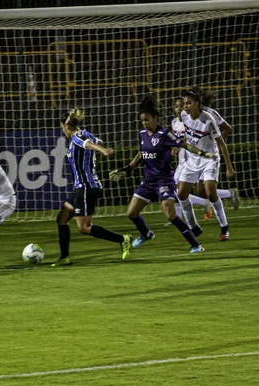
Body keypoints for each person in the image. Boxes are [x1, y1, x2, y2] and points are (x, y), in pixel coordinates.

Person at [109, 96, 211, 253]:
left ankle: (195, 245)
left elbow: (184, 144)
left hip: (164, 180)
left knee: (170, 215)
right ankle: (146, 234)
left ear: (155, 117)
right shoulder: (142, 134)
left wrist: (201, 152)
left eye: (147, 120)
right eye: (142, 120)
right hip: (148, 181)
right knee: (131, 213)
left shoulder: (164, 134)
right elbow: (141, 153)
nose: (145, 123)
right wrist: (126, 169)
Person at [52, 108, 132, 267]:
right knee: (62, 217)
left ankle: (122, 239)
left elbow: (89, 144)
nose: (62, 131)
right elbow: (96, 141)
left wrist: (102, 151)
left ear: (65, 125)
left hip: (86, 187)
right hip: (81, 187)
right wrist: (100, 146)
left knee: (84, 227)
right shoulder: (85, 133)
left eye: (62, 128)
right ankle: (64, 257)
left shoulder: (77, 137)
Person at [177, 89, 235, 241]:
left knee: (210, 192)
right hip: (192, 158)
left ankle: (224, 227)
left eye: (188, 103)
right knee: (181, 194)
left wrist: (229, 167)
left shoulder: (208, 118)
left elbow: (221, 144)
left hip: (210, 158)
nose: (185, 106)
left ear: (197, 103)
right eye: (184, 104)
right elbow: (187, 134)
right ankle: (193, 228)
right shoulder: (183, 116)